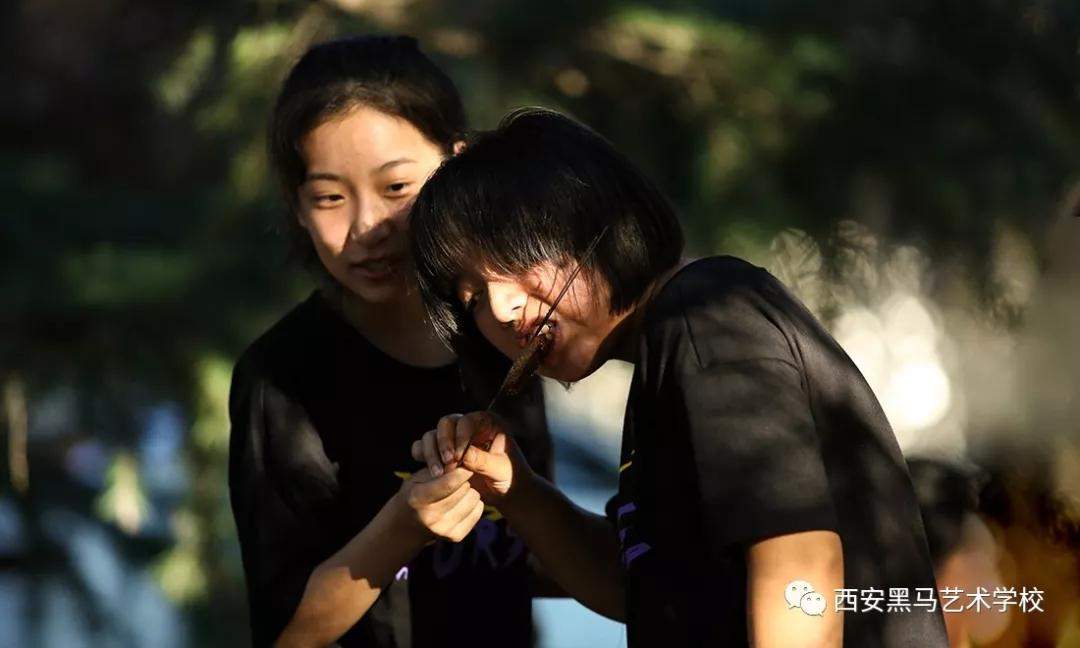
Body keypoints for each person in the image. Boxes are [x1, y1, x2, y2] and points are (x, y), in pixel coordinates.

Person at [408, 108, 951, 647]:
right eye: (472, 298)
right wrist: (520, 493)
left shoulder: (706, 317)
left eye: (512, 259)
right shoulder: (658, 370)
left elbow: (799, 567)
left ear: (586, 215)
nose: (501, 310)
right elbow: (639, 590)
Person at [228, 37, 551, 648]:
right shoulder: (281, 379)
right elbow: (285, 632)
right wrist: (402, 526)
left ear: (458, 167)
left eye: (397, 188)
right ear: (297, 207)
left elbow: (543, 556)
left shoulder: (504, 331)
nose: (367, 228)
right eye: (329, 197)